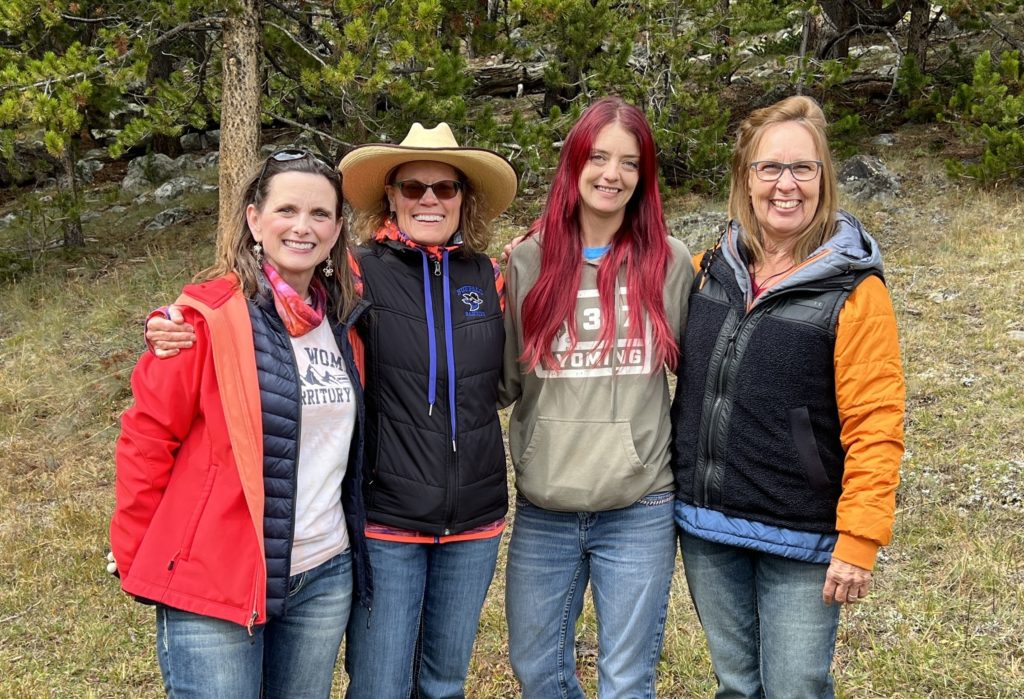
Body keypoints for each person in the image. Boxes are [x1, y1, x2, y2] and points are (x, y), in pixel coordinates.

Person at [147, 123, 518, 698]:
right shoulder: (356, 273)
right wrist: (172, 321)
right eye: (412, 187)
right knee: (379, 684)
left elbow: (513, 362)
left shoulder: (491, 277)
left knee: (445, 684)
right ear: (389, 197)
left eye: (444, 188)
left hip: (476, 514)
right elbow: (265, 289)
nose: (428, 199)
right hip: (388, 516)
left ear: (463, 199)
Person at [110, 150, 371, 698]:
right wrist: (139, 557)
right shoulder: (204, 318)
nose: (303, 227)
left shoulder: (343, 322)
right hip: (217, 577)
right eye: (287, 210)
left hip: (324, 573)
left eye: (321, 214)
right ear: (254, 219)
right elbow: (148, 438)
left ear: (338, 228)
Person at [671, 95, 906, 698]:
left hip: (802, 536)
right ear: (745, 179)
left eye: (803, 168)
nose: (786, 185)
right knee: (735, 685)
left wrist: (859, 539)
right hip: (708, 525)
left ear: (824, 179)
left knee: (796, 688)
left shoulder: (854, 290)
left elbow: (876, 422)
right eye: (769, 168)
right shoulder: (708, 271)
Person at [500, 96, 693, 698]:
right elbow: (502, 380)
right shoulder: (526, 263)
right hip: (545, 505)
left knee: (626, 680)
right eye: (599, 157)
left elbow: (700, 376)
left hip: (639, 507)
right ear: (574, 163)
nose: (612, 174)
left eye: (630, 163)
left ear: (644, 176)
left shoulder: (671, 263)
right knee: (537, 670)